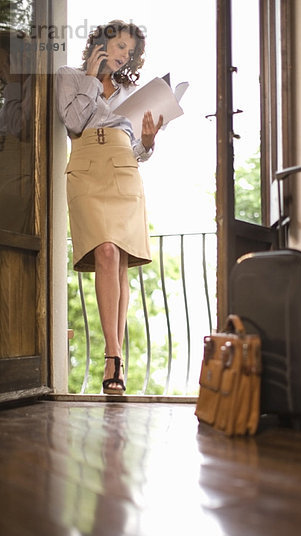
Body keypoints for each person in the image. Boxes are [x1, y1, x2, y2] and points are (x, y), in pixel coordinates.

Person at [56, 20, 163, 395]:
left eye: (128, 52)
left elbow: (135, 148)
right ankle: (114, 357)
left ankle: (113, 358)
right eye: (118, 47)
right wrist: (89, 76)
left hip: (124, 169)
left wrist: (147, 143)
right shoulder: (69, 75)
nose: (122, 56)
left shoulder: (131, 91)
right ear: (101, 43)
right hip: (86, 169)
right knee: (104, 251)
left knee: (118, 259)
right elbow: (73, 122)